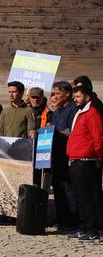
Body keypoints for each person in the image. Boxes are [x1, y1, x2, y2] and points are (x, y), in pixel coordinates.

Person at [66, 85, 103, 242]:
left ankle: (92, 229)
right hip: (75, 159)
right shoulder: (80, 113)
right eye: (74, 96)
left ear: (87, 97)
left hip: (86, 160)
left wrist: (99, 157)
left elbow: (98, 137)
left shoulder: (92, 114)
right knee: (79, 196)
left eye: (78, 96)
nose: (75, 99)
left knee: (87, 196)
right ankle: (83, 227)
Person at [50, 81, 79, 232]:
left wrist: (57, 132)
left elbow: (72, 131)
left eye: (57, 93)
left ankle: (72, 221)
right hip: (56, 154)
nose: (55, 96)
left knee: (69, 189)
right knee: (58, 186)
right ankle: (61, 219)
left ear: (67, 93)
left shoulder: (73, 109)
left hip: (68, 154)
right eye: (54, 93)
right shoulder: (58, 110)